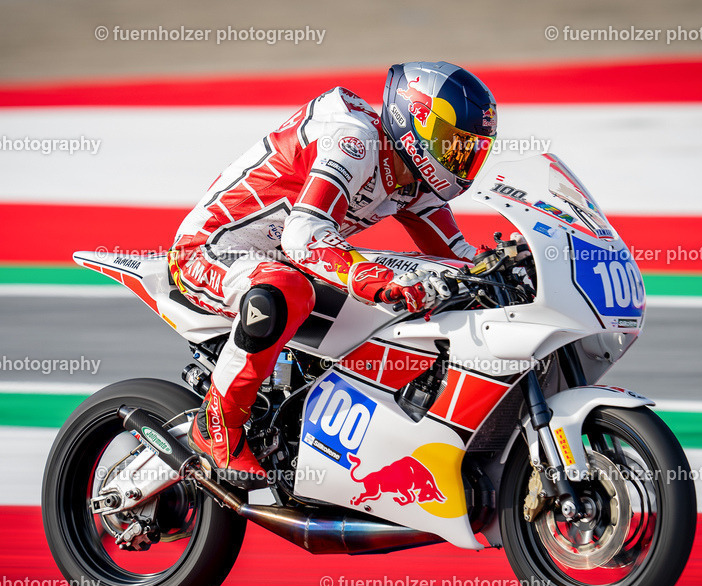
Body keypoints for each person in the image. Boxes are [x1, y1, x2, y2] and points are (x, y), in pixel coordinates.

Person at [167, 61, 498, 487]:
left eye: (468, 150)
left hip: (284, 261)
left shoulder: (414, 180)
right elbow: (303, 235)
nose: (458, 159)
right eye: (450, 144)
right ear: (414, 119)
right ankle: (216, 425)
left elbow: (459, 257)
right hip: (210, 250)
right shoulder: (354, 140)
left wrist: (513, 262)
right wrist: (375, 279)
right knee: (283, 289)